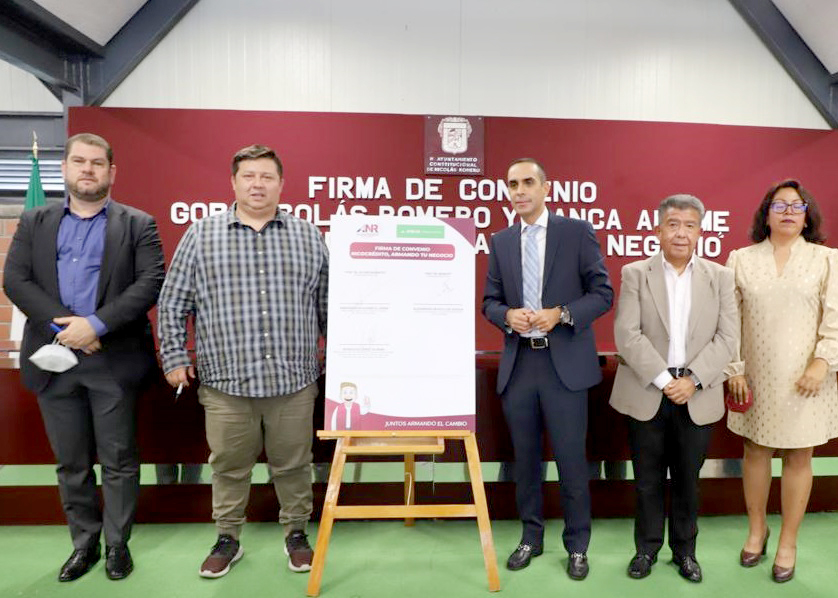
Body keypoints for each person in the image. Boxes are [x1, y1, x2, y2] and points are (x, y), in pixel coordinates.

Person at [157, 145, 328, 579]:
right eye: (248, 176)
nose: (257, 184)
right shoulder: (201, 235)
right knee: (229, 467)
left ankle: (296, 534)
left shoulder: (309, 237)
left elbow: (328, 306)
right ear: (233, 183)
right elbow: (173, 303)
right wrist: (174, 356)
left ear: (281, 184)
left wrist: (346, 358)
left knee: (294, 466)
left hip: (293, 381)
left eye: (266, 176)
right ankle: (228, 538)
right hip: (226, 383)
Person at [3, 132, 165, 582]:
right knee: (71, 462)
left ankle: (117, 545)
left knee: (119, 460)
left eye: (97, 163)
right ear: (65, 169)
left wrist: (94, 325)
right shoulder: (34, 221)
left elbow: (149, 283)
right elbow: (16, 280)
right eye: (79, 161)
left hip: (113, 361)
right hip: (53, 361)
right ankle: (84, 545)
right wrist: (67, 328)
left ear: (112, 172)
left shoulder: (138, 224)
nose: (87, 170)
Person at [482, 158, 612, 581]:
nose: (519, 191)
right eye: (512, 184)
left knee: (572, 461)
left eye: (527, 182)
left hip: (565, 368)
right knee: (525, 462)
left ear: (545, 188)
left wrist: (562, 314)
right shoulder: (501, 241)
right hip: (520, 366)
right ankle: (530, 537)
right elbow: (489, 302)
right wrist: (507, 316)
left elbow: (602, 293)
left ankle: (577, 545)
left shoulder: (575, 232)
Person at [609, 194, 737, 583]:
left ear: (700, 232)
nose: (681, 233)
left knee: (687, 481)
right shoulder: (635, 273)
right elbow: (627, 335)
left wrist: (692, 380)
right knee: (647, 479)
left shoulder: (720, 277)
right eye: (673, 224)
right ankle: (646, 550)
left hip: (698, 392)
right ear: (658, 230)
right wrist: (667, 381)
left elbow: (728, 338)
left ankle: (685, 553)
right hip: (648, 390)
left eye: (690, 225)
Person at [725, 179, 838, 583]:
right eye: (779, 205)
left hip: (807, 377)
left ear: (807, 216)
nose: (788, 212)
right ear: (765, 214)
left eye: (796, 205)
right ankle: (757, 530)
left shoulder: (827, 260)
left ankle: (788, 541)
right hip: (754, 377)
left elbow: (836, 317)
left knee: (799, 456)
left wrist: (822, 363)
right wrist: (734, 369)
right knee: (755, 451)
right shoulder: (740, 259)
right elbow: (729, 319)